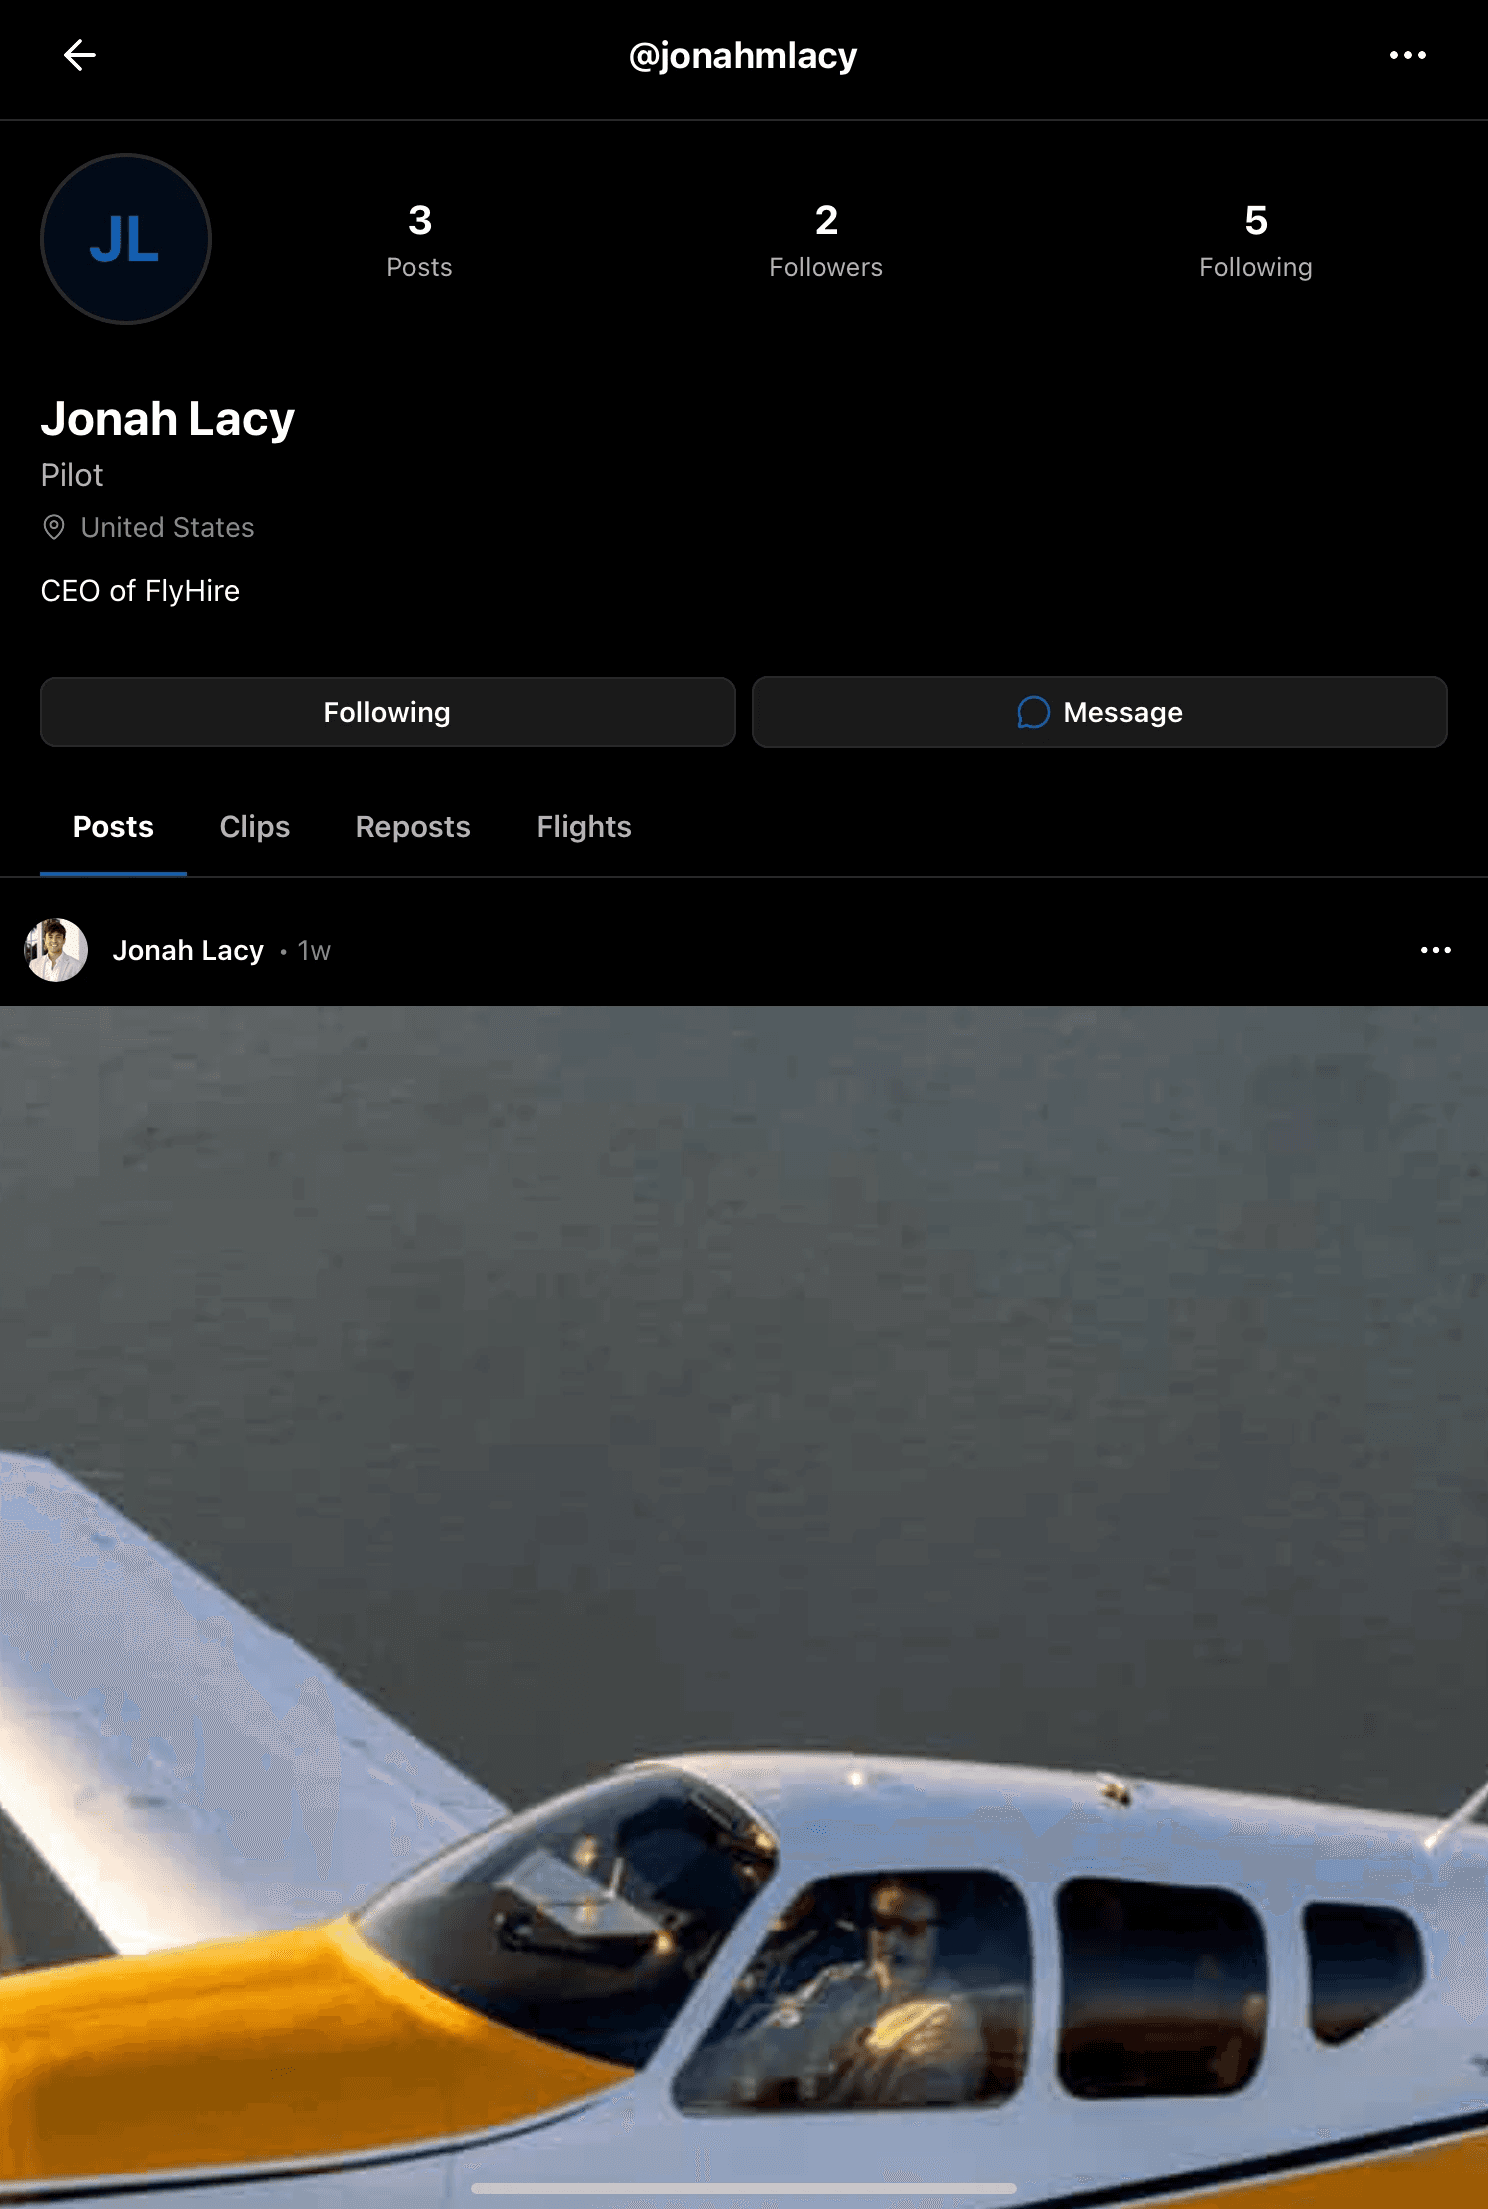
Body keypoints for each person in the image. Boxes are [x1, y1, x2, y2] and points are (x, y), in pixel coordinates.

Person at [685, 1879, 987, 2110]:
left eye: (911, 1929)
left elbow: (903, 2139)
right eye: (881, 1925)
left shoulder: (944, 2028)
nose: (891, 1941)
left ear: (943, 1939)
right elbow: (760, 2046)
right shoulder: (839, 1979)